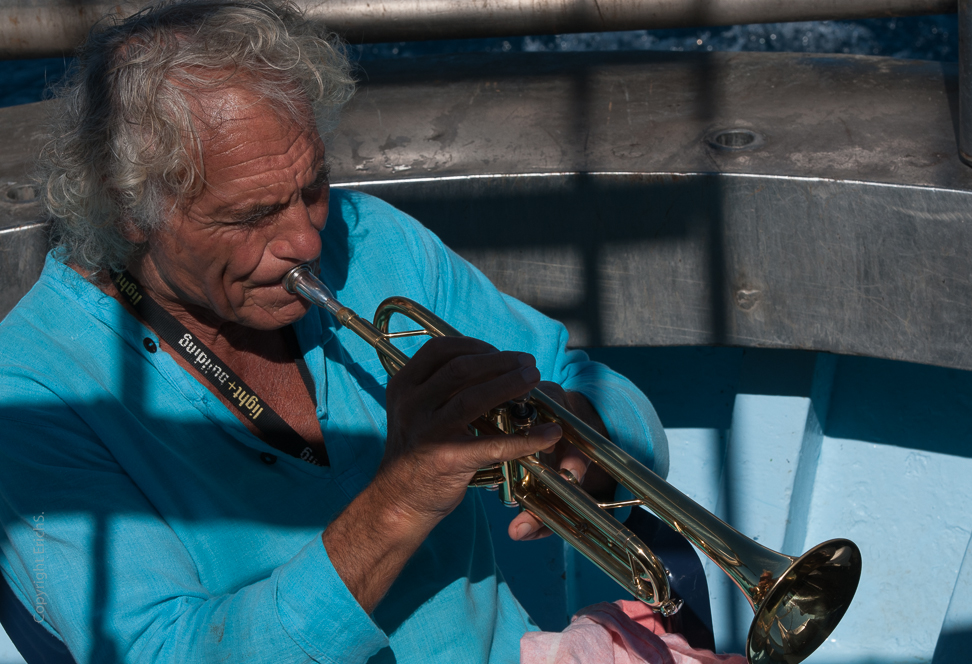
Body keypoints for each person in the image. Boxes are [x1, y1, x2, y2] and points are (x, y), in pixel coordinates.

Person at [0, 2, 669, 662]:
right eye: (251, 215)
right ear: (128, 212)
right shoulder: (33, 390)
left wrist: (583, 430)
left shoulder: (371, 239)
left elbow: (578, 376)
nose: (306, 238)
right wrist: (399, 500)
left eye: (313, 186)